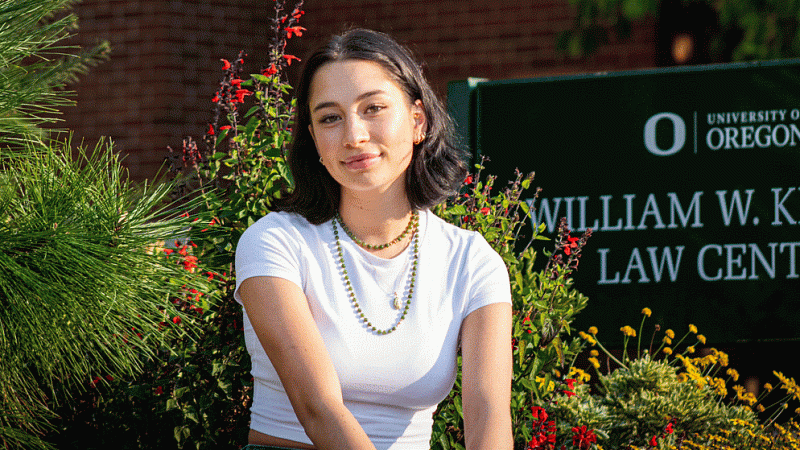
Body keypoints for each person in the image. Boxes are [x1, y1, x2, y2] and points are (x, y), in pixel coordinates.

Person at [234, 28, 512, 450]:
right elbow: (318, 408)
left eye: (374, 108)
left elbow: (488, 415)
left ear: (418, 120)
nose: (353, 135)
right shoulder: (274, 243)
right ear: (313, 139)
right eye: (330, 117)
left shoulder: (472, 260)